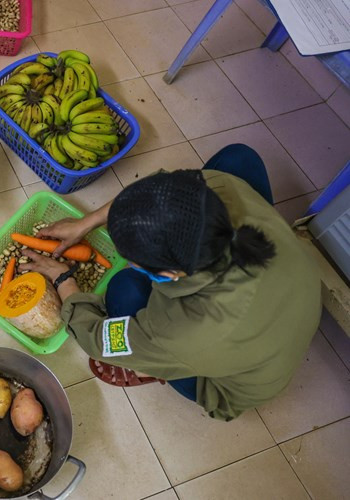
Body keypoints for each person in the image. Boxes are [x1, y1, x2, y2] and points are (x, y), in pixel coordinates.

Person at [23, 144, 321, 421]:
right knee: (238, 158)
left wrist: (63, 279)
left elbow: (97, 340)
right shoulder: (220, 188)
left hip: (237, 381)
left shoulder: (179, 332)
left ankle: (161, 368)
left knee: (124, 289)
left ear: (172, 274)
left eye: (132, 258)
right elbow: (160, 189)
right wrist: (87, 222)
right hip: (289, 299)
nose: (127, 261)